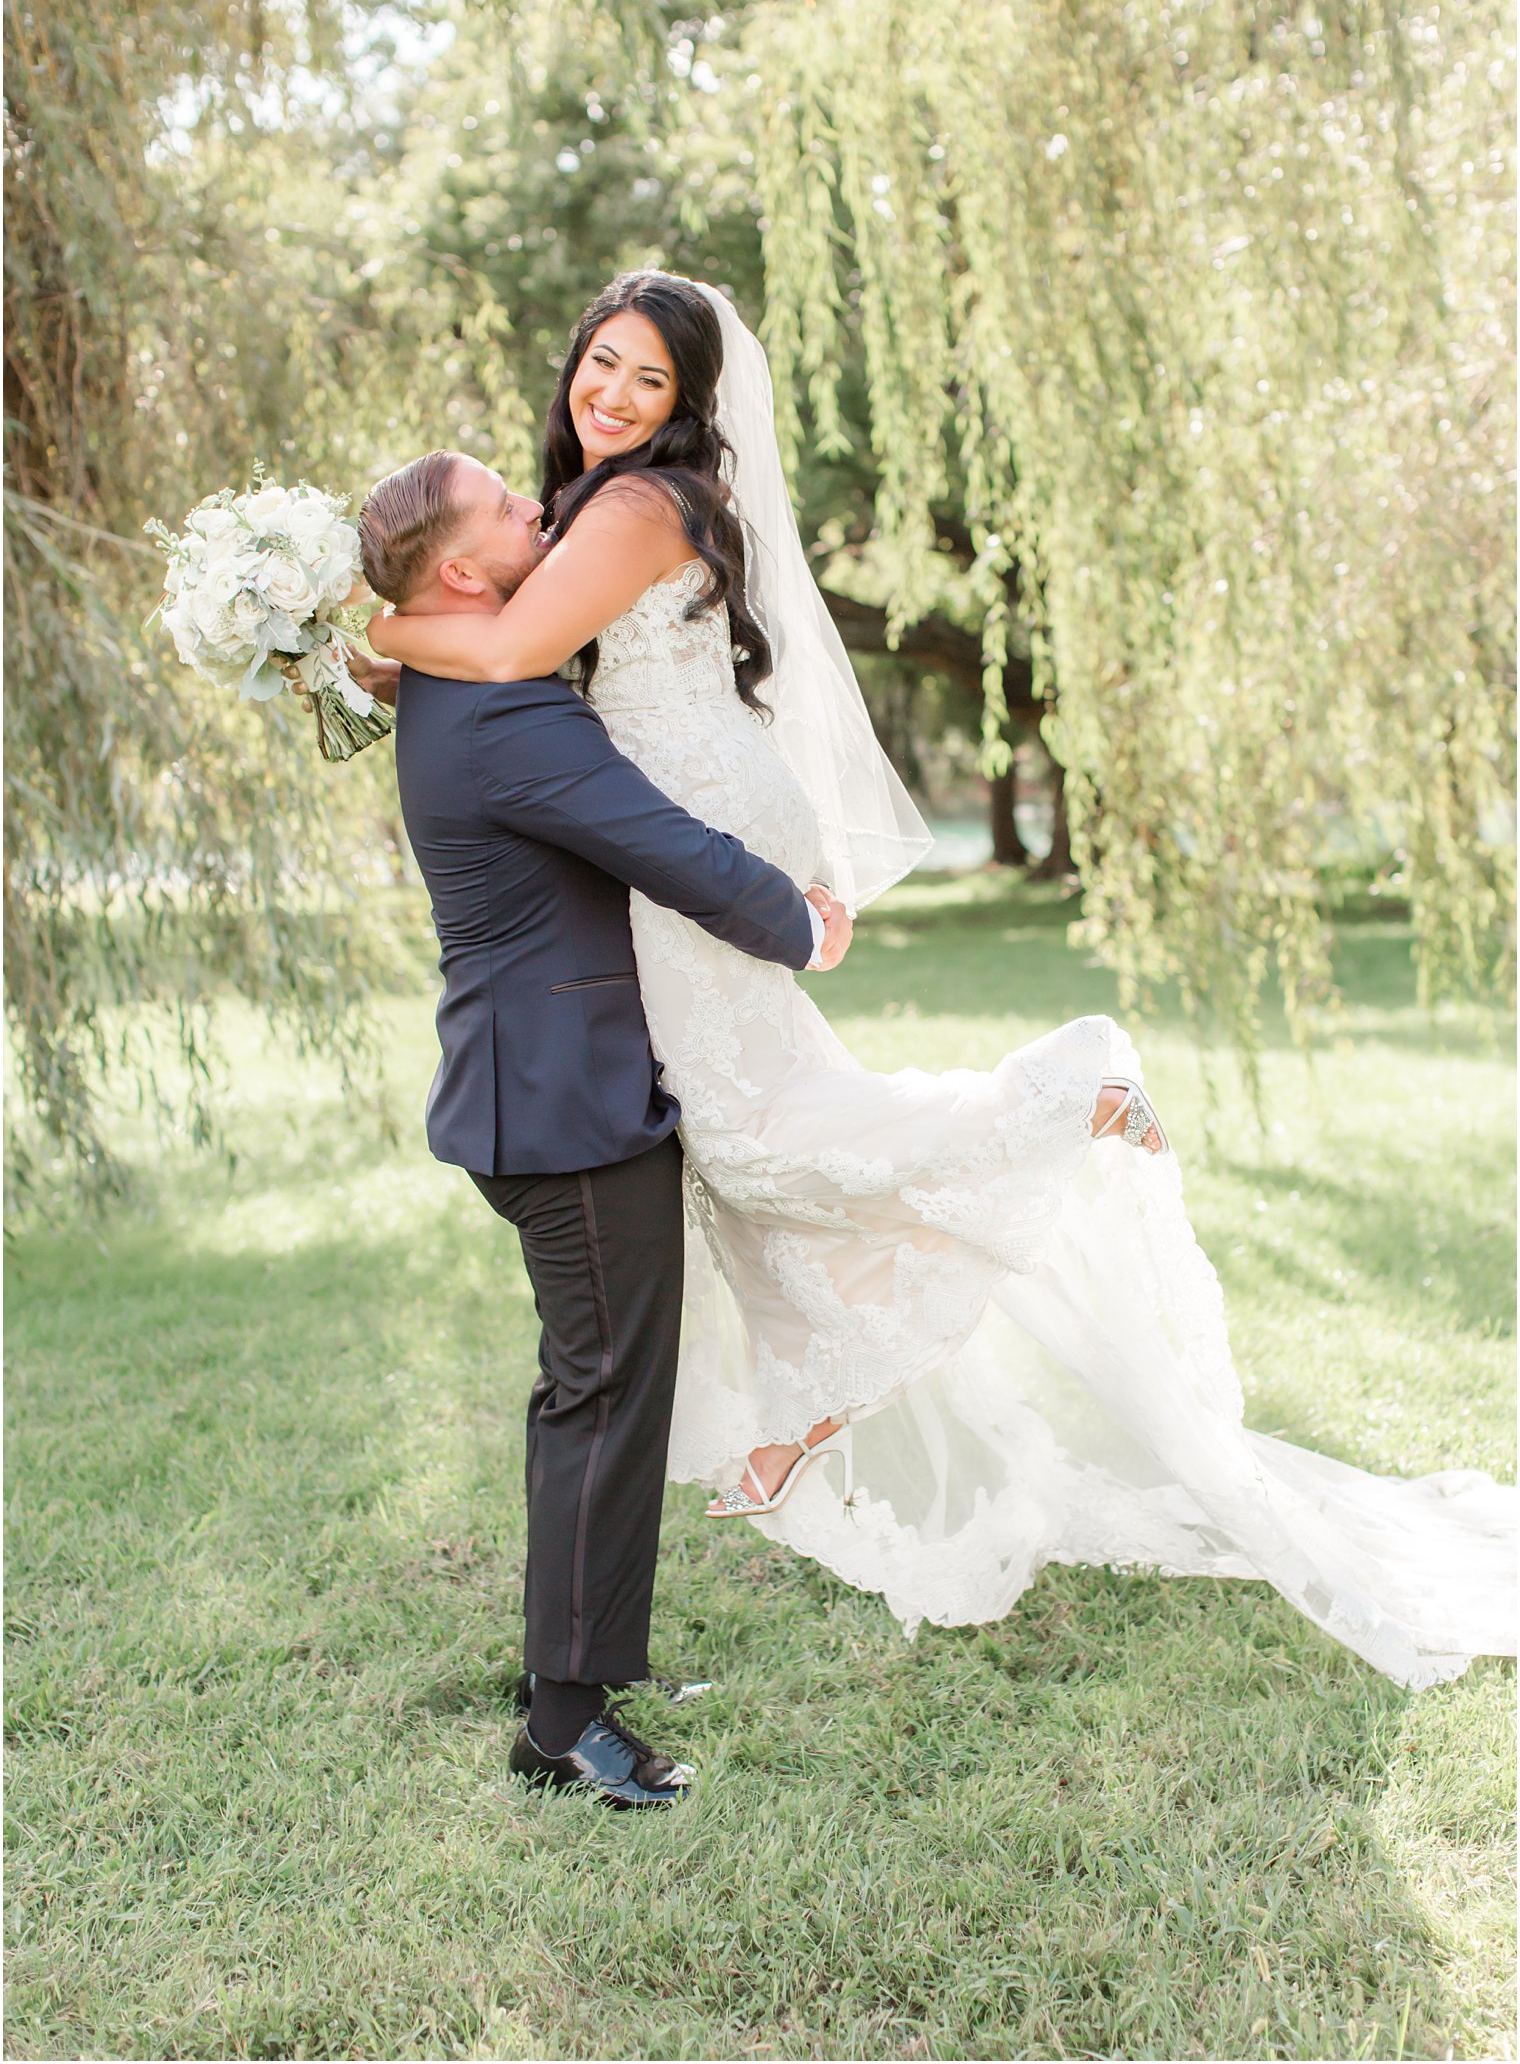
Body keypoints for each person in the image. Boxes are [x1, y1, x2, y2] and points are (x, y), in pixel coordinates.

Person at [360, 271, 1515, 1693]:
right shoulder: (606, 514)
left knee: (753, 1135)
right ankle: (796, 1404)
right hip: (692, 817)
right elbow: (511, 637)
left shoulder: (622, 510)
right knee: (749, 1136)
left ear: (687, 405)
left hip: (696, 828)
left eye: (647, 381)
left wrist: (372, 631)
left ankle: (1051, 1098)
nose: (611, 394)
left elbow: (514, 642)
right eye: (600, 362)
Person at [355, 447, 850, 1807]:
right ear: (466, 569)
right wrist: (800, 919)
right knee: (606, 1391)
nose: (542, 512)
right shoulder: (505, 712)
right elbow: (661, 842)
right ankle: (564, 1724)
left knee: (595, 1385)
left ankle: (573, 1668)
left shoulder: (466, 671)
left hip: (550, 1083)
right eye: (513, 510)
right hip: (561, 1100)